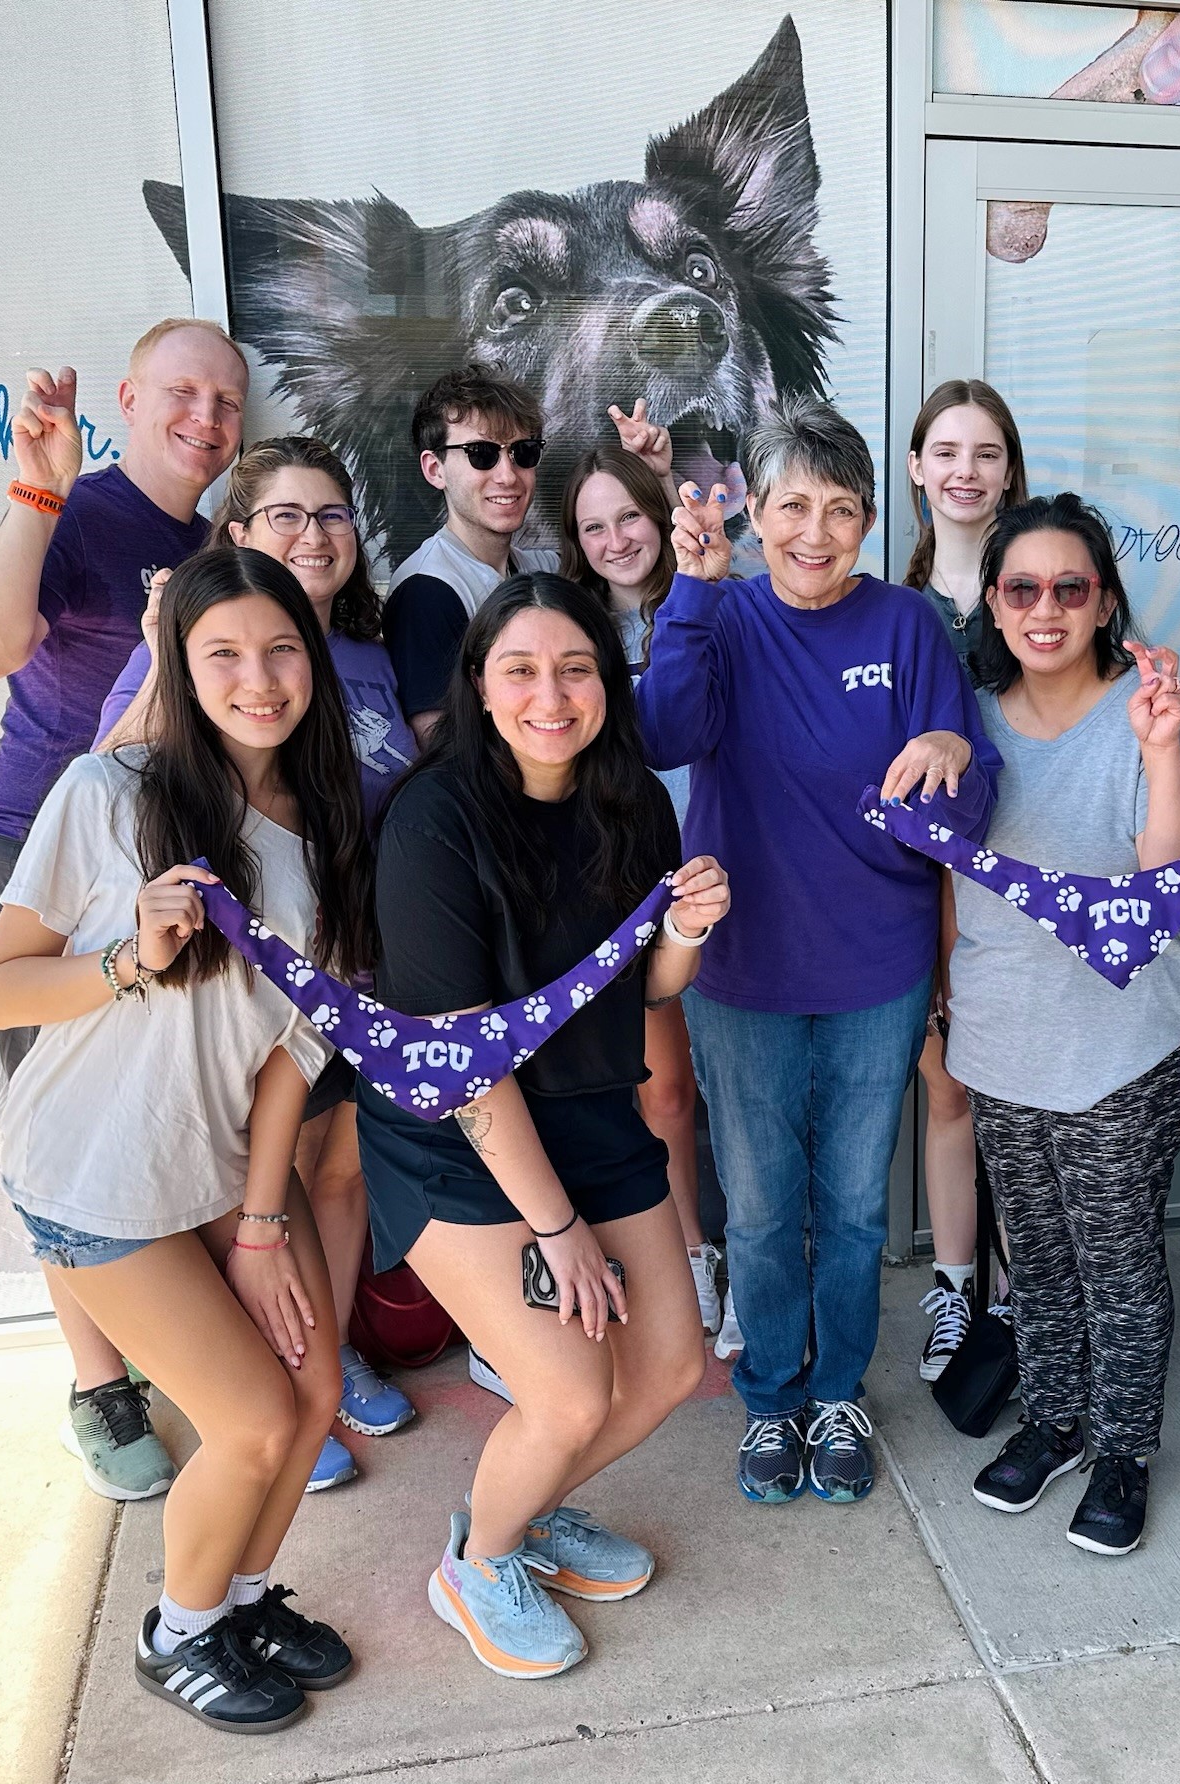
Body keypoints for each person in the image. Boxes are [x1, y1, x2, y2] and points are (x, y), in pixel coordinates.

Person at [0, 546, 373, 1733]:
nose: (258, 678)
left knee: (309, 1403)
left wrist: (260, 1220)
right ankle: (178, 1630)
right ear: (178, 665)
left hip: (222, 1160)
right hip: (97, 1173)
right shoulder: (108, 794)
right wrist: (124, 962)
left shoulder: (331, 824)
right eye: (222, 654)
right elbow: (1, 991)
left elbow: (294, 1054)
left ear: (313, 656)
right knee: (247, 1421)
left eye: (281, 647)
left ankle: (240, 1596)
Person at [636, 393, 1001, 1506]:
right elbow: (663, 730)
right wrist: (691, 589)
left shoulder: (903, 625)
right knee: (756, 1200)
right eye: (792, 504)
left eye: (841, 509)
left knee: (848, 1203)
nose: (815, 532)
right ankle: (771, 1398)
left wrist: (946, 736)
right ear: (754, 509)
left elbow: (973, 798)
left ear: (868, 519)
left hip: (874, 968)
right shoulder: (723, 614)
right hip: (742, 967)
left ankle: (838, 1386)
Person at [357, 574, 724, 1680]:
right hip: (460, 1140)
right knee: (567, 1391)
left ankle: (523, 1506)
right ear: (478, 682)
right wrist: (554, 1225)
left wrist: (692, 930)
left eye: (575, 668)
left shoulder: (632, 799)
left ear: (607, 682)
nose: (550, 693)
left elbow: (648, 989)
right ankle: (481, 1556)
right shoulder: (433, 817)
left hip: (591, 1113)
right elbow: (467, 1067)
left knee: (668, 1366)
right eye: (519, 668)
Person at [0, 318, 248, 1503]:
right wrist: (38, 486)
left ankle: (176, 1347)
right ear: (130, 397)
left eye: (226, 401)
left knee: (142, 1114)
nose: (207, 418)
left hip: (157, 861)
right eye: (183, 391)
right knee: (64, 1131)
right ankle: (97, 1384)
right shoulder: (80, 509)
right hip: (41, 857)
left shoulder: (204, 538)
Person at [95, 436, 422, 1490]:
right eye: (285, 515)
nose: (312, 534)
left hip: (355, 970)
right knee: (254, 1185)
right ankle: (276, 1376)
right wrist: (158, 645)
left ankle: (329, 1351)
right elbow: (116, 780)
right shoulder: (187, 652)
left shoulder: (369, 657)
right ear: (237, 535)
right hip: (242, 986)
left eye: (331, 514)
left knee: (339, 1167)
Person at [950, 493, 1180, 1557]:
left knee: (1116, 1257)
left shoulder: (1150, 707)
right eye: (1022, 587)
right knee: (1036, 1254)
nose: (1045, 607)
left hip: (1120, 1036)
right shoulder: (966, 718)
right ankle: (1053, 1418)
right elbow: (943, 876)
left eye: (1070, 586)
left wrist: (1156, 747)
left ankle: (1122, 1450)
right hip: (1000, 1028)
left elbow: (1176, 878)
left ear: (1103, 599)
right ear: (994, 600)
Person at [559, 447, 724, 1338]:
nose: (616, 538)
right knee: (661, 1092)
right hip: (635, 886)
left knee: (728, 1086)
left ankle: (746, 1256)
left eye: (629, 516)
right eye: (594, 525)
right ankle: (690, 1252)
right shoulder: (569, 631)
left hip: (732, 874)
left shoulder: (714, 602)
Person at [900, 379, 1031, 1380]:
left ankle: (1022, 1283)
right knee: (947, 1089)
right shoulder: (887, 610)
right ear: (914, 467)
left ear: (1009, 471)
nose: (963, 470)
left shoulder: (1043, 584)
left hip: (1029, 873)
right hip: (925, 889)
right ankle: (955, 1290)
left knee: (1027, 1099)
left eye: (984, 452)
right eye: (945, 450)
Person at [382, 369, 556, 739]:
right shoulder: (427, 591)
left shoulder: (542, 569)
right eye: (482, 454)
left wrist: (656, 479)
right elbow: (443, 750)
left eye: (523, 452)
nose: (508, 475)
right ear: (435, 469)